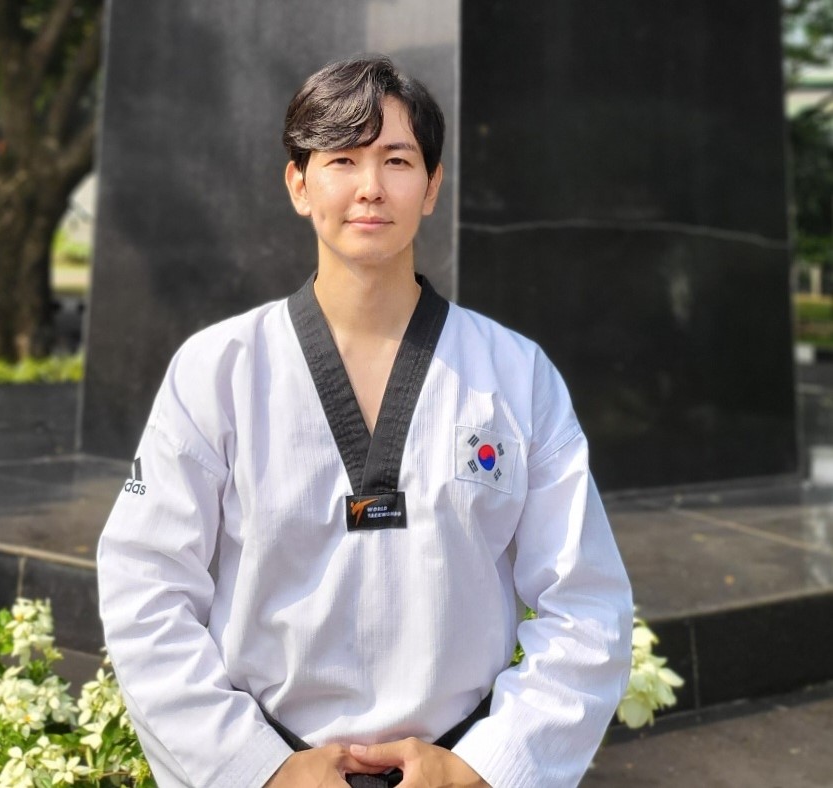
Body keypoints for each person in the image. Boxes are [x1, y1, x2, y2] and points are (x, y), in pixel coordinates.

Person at [98, 55, 633, 788]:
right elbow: (146, 585)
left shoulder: (514, 373)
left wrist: (486, 767)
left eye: (397, 160)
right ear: (298, 184)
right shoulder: (218, 370)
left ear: (432, 185)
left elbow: (586, 602)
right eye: (342, 160)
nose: (371, 187)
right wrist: (258, 769)